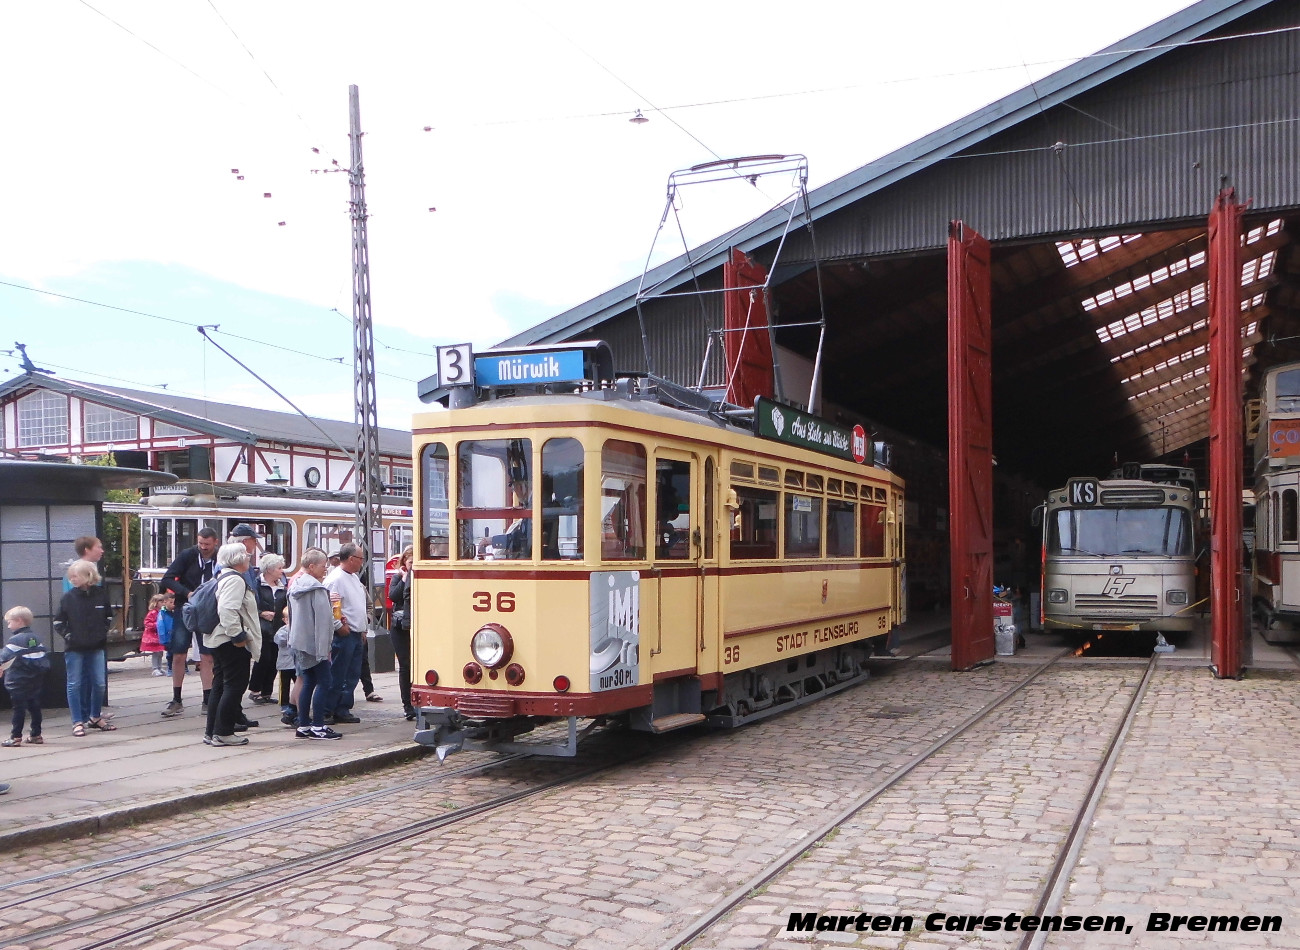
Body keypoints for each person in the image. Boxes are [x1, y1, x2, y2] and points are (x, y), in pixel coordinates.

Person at [203, 543, 262, 747]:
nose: (249, 559)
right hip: (229, 641)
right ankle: (224, 732)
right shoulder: (235, 580)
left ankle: (212, 732)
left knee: (219, 685)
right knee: (234, 686)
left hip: (218, 639)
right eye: (246, 556)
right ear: (237, 559)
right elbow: (228, 610)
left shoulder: (221, 576)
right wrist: (238, 636)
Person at [159, 526, 219, 717]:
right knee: (178, 653)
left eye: (207, 545)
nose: (203, 548)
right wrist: (186, 592)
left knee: (207, 655)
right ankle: (176, 699)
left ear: (215, 543)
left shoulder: (219, 558)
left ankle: (207, 699)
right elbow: (167, 578)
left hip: (208, 610)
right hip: (185, 608)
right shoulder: (188, 555)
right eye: (200, 543)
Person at [54, 559, 116, 736]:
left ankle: (95, 716)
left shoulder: (101, 594)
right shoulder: (68, 597)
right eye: (71, 576)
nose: (72, 579)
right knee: (75, 684)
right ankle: (77, 721)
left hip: (97, 646)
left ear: (88, 576)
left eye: (76, 576)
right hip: (74, 648)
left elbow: (108, 617)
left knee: (99, 683)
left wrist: (101, 633)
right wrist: (69, 636)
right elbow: (58, 621)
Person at [288, 549, 343, 739]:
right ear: (312, 566)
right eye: (322, 565)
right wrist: (324, 648)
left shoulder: (296, 586)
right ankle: (318, 726)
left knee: (308, 681)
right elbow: (323, 620)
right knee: (324, 681)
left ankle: (304, 724)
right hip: (314, 643)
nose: (325, 569)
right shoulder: (317, 590)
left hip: (299, 642)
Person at [322, 543, 367, 725]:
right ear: (351, 559)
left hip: (356, 632)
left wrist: (363, 628)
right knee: (338, 673)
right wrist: (338, 625)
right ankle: (327, 709)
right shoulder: (335, 579)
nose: (362, 562)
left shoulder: (354, 577)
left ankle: (343, 707)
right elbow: (330, 606)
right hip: (344, 634)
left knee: (352, 674)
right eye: (360, 558)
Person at [1, 607, 50, 746]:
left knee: (19, 709)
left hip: (18, 681)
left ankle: (15, 736)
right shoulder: (36, 638)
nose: (9, 626)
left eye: (10, 622)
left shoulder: (15, 640)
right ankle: (36, 734)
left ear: (19, 621)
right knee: (35, 707)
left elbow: (4, 656)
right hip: (35, 680)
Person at [248, 553, 286, 703]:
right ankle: (255, 689)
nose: (281, 571)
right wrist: (261, 613)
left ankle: (267, 692)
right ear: (269, 570)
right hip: (261, 628)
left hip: (278, 628)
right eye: (279, 568)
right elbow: (250, 606)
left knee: (274, 660)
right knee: (263, 658)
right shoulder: (257, 585)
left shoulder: (282, 585)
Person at [386, 545, 416, 720]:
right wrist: (405, 579)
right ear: (404, 562)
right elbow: (394, 596)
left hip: (416, 625)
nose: (412, 565)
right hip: (401, 627)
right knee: (405, 665)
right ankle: (407, 705)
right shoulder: (399, 578)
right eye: (410, 562)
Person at [140, 592, 173, 676]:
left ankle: (159, 667)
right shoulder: (152, 613)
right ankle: (155, 668)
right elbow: (147, 623)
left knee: (160, 652)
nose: (163, 604)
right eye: (161, 602)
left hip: (160, 635)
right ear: (156, 603)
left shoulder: (163, 612)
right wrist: (157, 625)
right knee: (156, 653)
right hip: (153, 636)